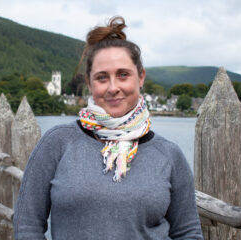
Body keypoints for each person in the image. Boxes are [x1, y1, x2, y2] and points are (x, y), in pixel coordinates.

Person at [13, 16, 203, 240]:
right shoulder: (57, 143)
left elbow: (187, 232)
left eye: (123, 75)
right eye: (102, 78)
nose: (113, 88)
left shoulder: (169, 155)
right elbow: (27, 225)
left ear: (140, 77)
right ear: (89, 82)